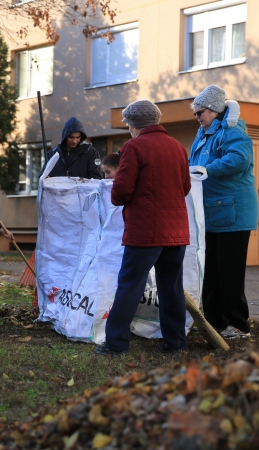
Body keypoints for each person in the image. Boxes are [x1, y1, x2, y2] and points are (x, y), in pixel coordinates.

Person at [95, 100, 191, 356]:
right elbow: (185, 188)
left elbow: (121, 192)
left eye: (128, 125)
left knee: (130, 285)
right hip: (176, 230)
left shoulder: (133, 147)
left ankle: (115, 344)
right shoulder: (178, 147)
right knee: (171, 288)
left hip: (145, 231)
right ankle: (176, 343)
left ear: (134, 125)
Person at [188, 85, 257, 340]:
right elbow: (192, 165)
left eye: (201, 112)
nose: (197, 117)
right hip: (212, 213)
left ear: (215, 110)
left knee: (230, 272)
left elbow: (239, 159)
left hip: (233, 214)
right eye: (195, 113)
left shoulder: (232, 130)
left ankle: (238, 324)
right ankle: (215, 321)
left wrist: (209, 170)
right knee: (211, 271)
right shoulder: (203, 134)